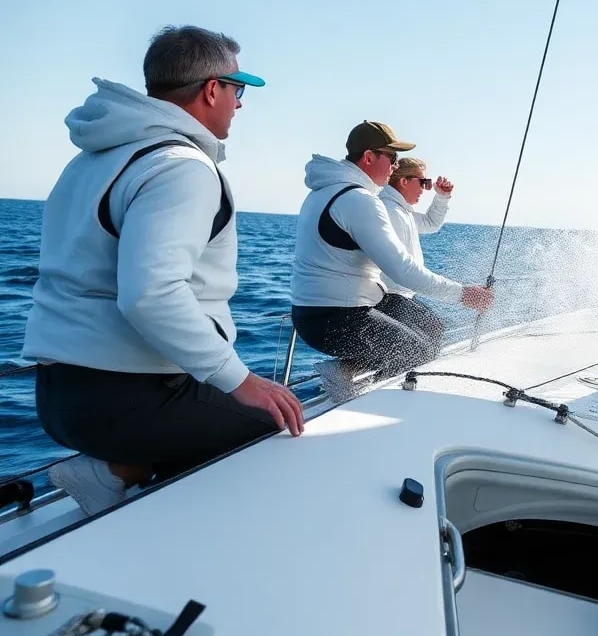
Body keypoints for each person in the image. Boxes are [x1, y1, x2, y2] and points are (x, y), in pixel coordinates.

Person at [22, 25, 304, 516]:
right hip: (125, 399)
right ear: (212, 90)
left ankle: (123, 471)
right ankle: (126, 484)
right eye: (238, 90)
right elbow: (151, 294)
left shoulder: (92, 159)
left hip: (58, 395)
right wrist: (242, 382)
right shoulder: (181, 166)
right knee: (274, 427)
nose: (238, 104)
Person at [290, 121, 492, 390]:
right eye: (392, 157)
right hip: (337, 319)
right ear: (369, 157)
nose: (395, 166)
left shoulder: (323, 192)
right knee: (417, 353)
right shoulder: (358, 200)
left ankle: (353, 377)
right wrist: (463, 294)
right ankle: (373, 397)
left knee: (426, 335)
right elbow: (402, 270)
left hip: (313, 316)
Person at [378, 158, 451, 361]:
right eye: (423, 182)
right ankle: (362, 368)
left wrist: (442, 197)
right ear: (404, 181)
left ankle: (363, 367)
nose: (425, 189)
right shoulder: (390, 211)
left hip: (401, 293)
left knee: (433, 329)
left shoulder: (402, 211)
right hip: (389, 295)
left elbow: (430, 223)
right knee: (430, 331)